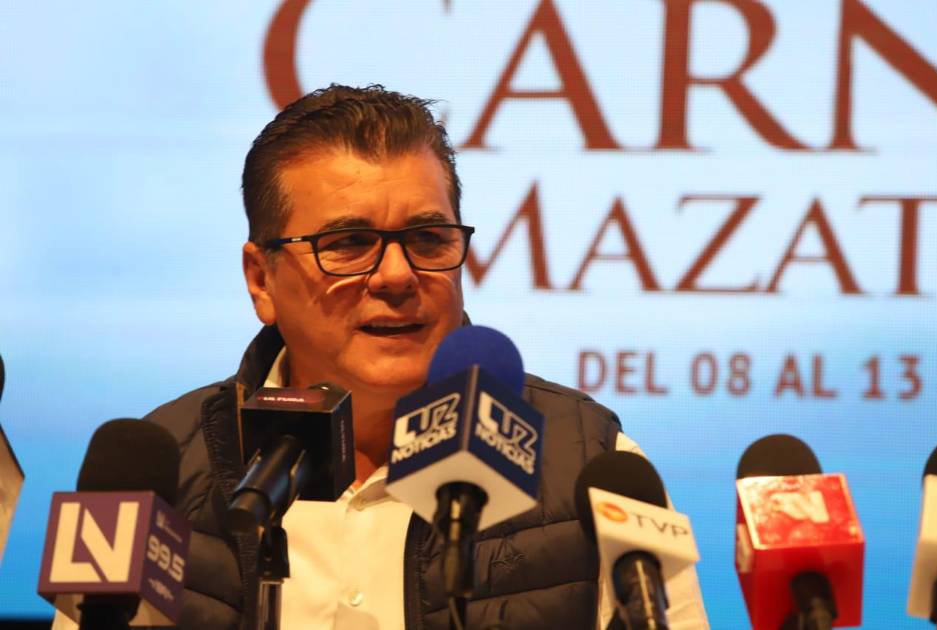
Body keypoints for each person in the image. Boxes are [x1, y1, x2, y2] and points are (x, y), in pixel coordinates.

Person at [54, 84, 709, 630]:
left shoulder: (595, 461)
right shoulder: (155, 475)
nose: (397, 275)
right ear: (261, 280)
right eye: (348, 243)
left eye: (428, 238)